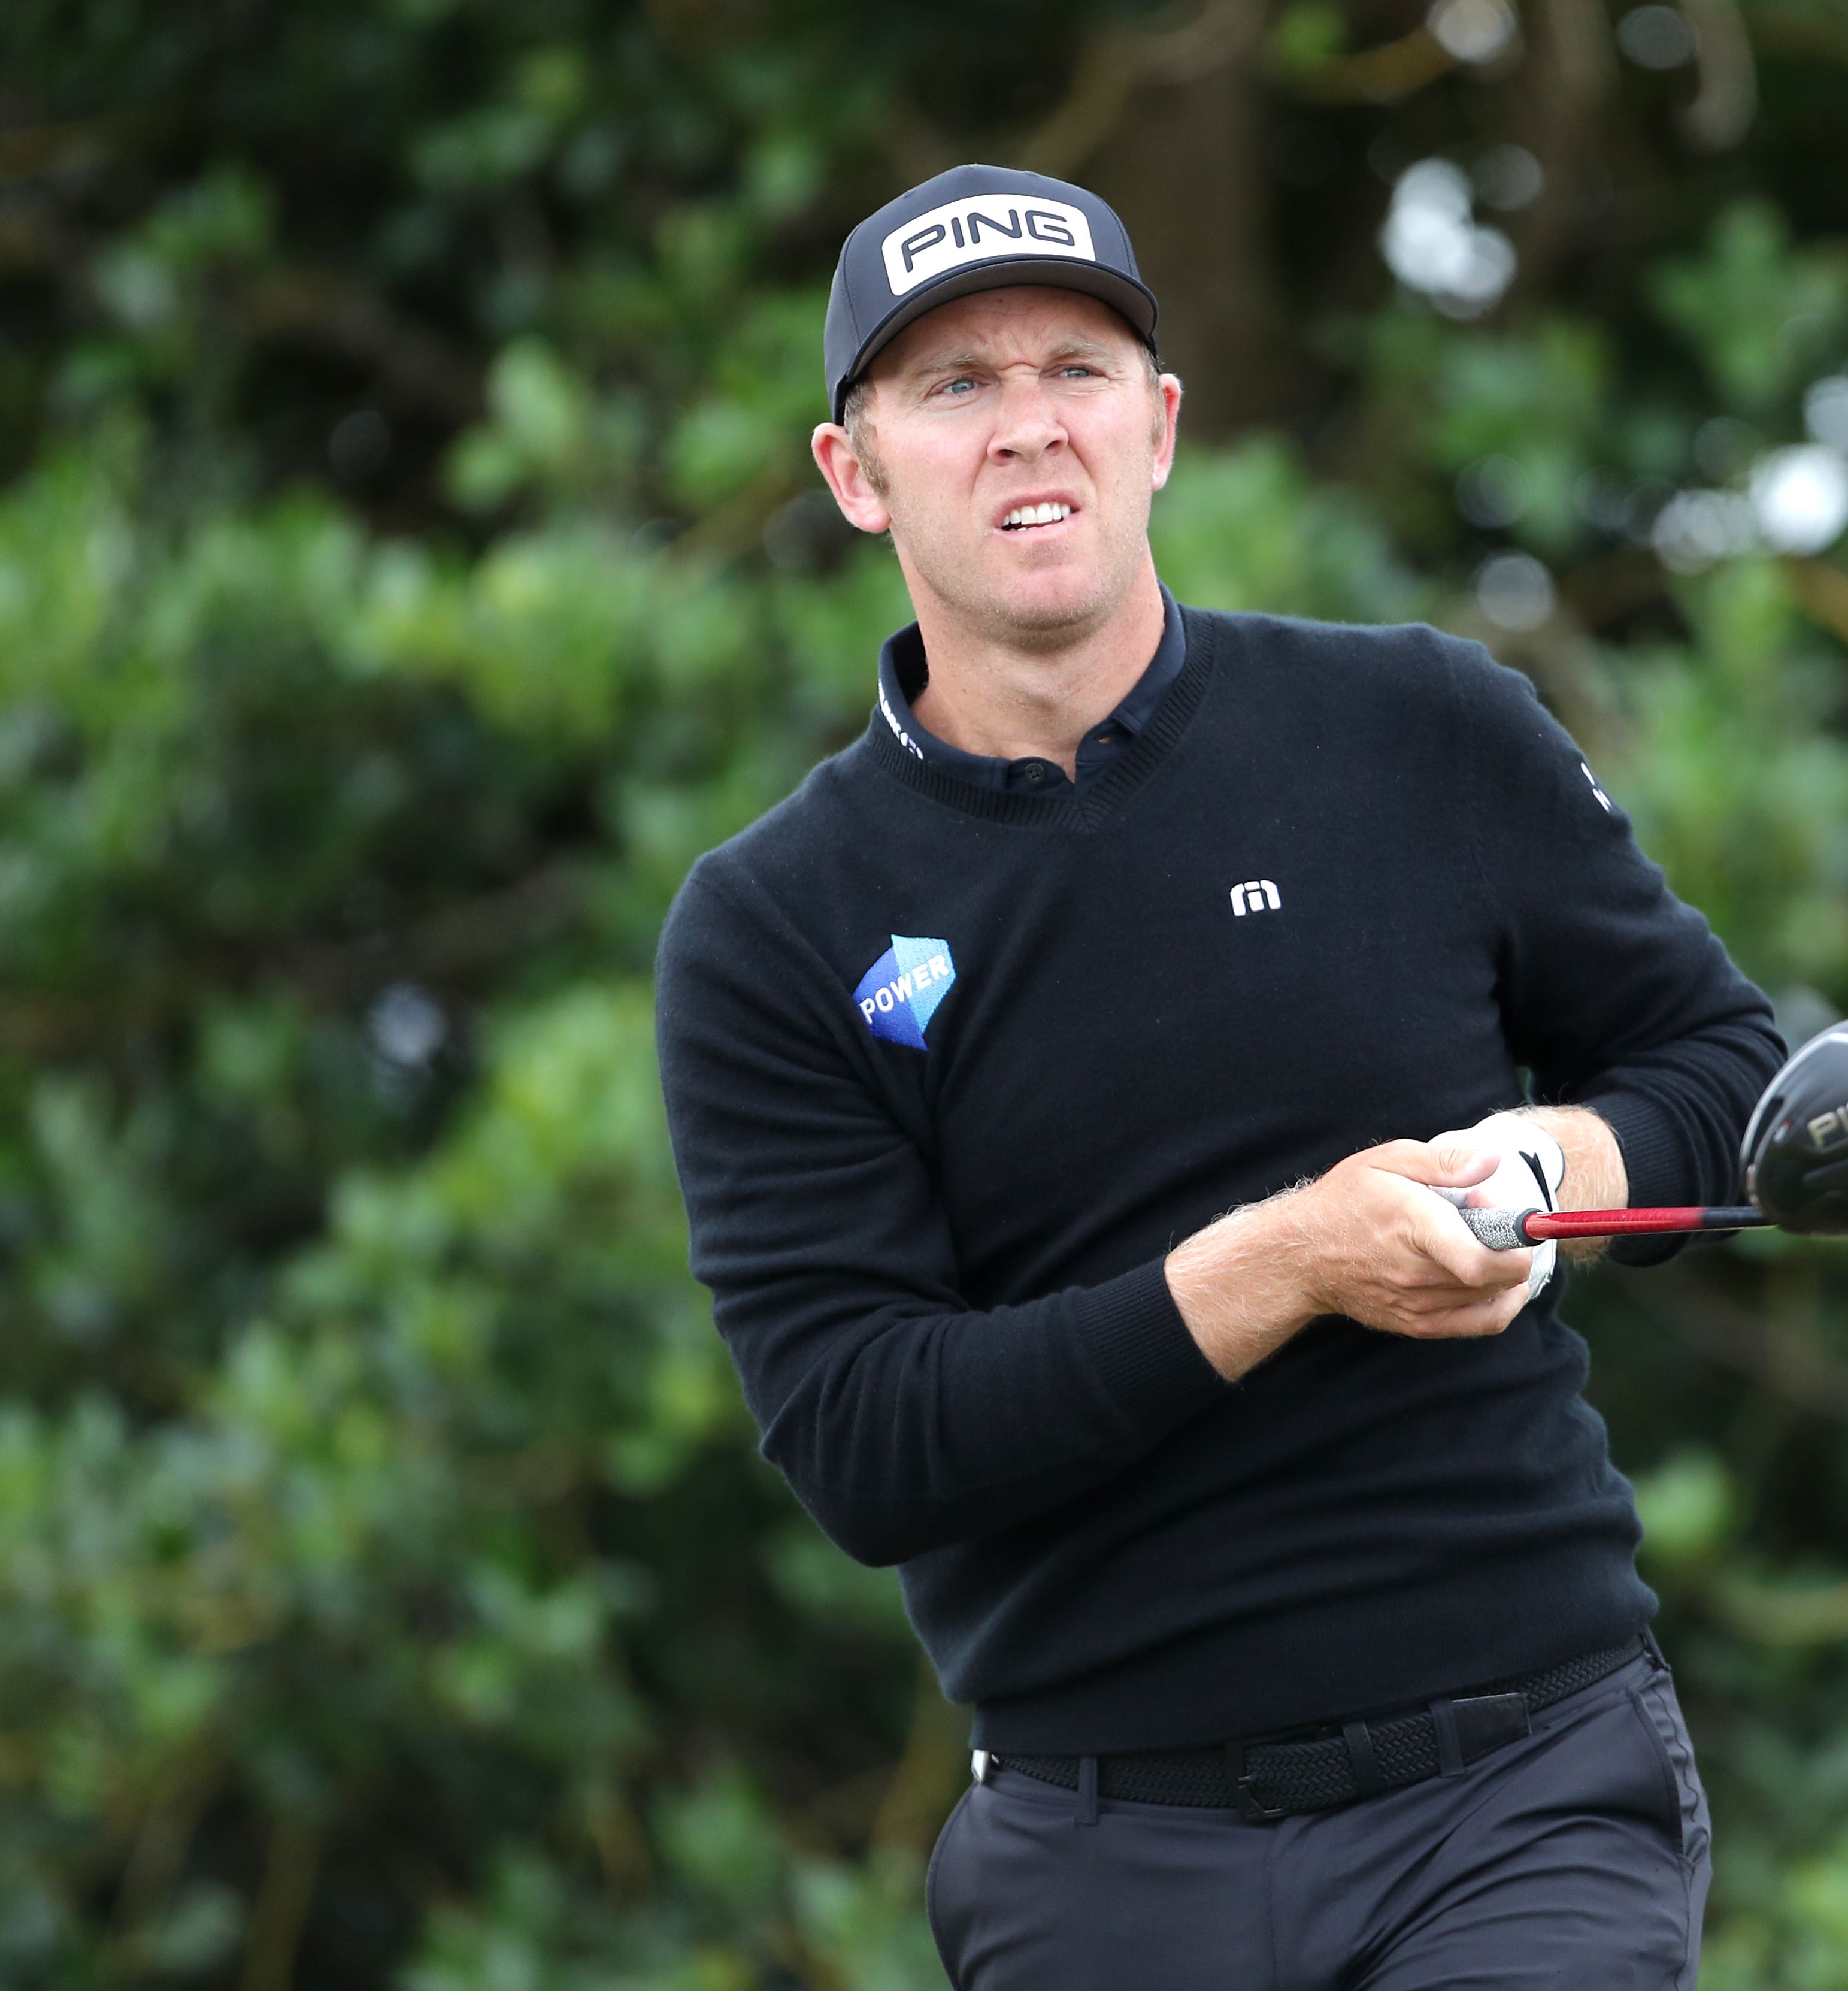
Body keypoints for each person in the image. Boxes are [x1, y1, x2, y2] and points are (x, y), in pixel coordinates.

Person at [654, 162, 1785, 1989]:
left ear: (1160, 427)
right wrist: (1291, 1262)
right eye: (953, 387)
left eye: (1076, 371)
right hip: (1103, 1854)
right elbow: (870, 1438)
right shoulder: (773, 926)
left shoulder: (1419, 727)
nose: (1030, 429)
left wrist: (1542, 1159)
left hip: (1517, 1790)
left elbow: (1722, 1074)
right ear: (854, 474)